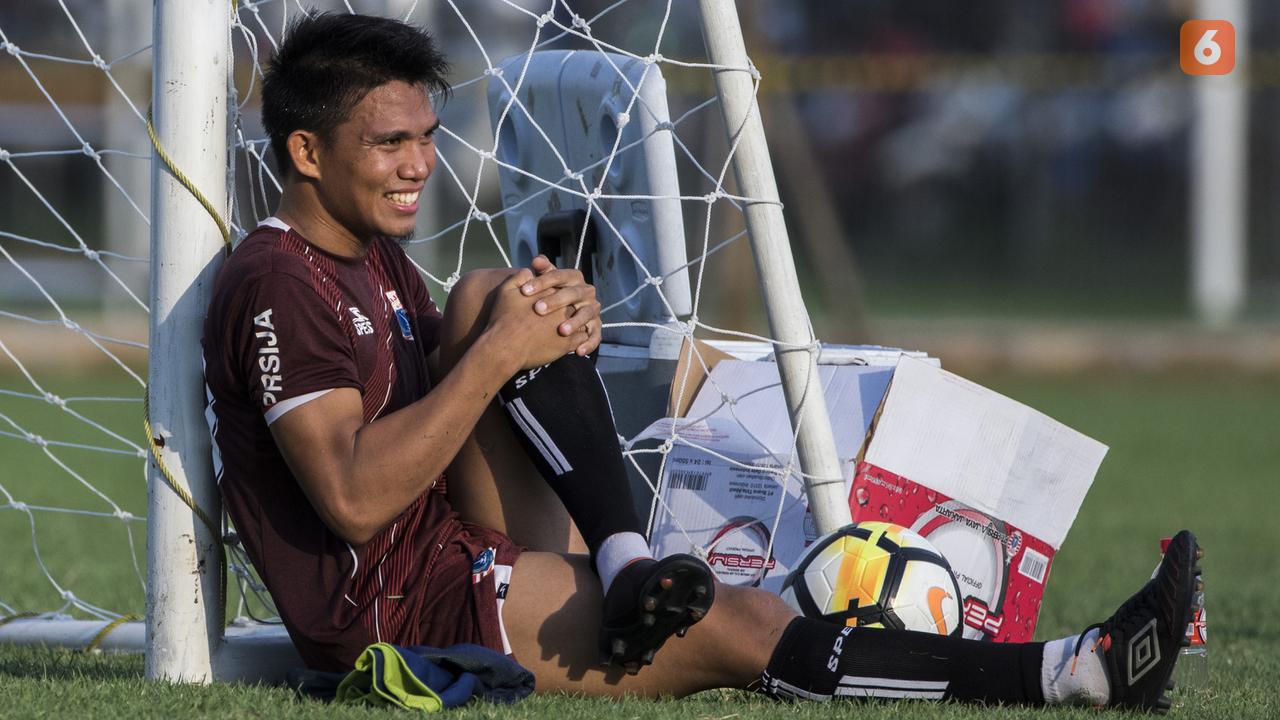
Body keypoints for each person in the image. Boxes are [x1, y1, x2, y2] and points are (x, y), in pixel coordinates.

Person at [203, 12, 1202, 712]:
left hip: (450, 547)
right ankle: (1071, 674)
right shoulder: (275, 284)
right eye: (388, 144)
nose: (418, 164)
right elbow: (349, 500)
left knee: (499, 296)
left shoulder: (367, 249)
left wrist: (538, 336)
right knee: (742, 626)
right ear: (303, 152)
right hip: (396, 610)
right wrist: (493, 362)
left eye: (424, 136)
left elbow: (463, 379)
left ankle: (624, 558)